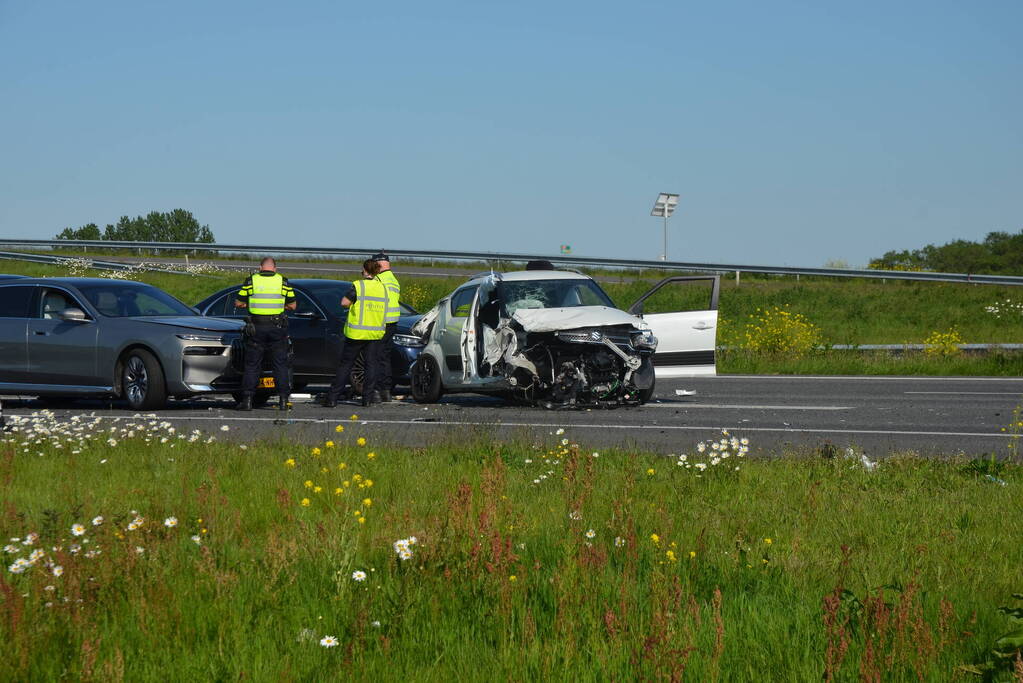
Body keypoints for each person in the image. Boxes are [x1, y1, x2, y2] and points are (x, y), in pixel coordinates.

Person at [322, 259, 387, 408]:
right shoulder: (382, 288)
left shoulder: (359, 285)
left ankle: (332, 398)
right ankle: (367, 399)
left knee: (346, 365)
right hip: (374, 334)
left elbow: (344, 303)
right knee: (371, 365)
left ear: (365, 270)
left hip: (356, 333)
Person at [234, 257, 296, 411]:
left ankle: (247, 400)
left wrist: (252, 304)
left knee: (252, 365)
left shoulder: (251, 281)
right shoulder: (283, 281)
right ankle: (283, 400)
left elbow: (238, 303)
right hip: (277, 327)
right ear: (275, 269)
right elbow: (293, 305)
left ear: (260, 267)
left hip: (257, 327)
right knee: (280, 364)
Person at [372, 251, 401, 402]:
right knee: (385, 357)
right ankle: (386, 391)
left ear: (377, 264)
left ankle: (376, 390)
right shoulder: (393, 280)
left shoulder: (378, 279)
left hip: (380, 321)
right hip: (392, 322)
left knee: (375, 356)